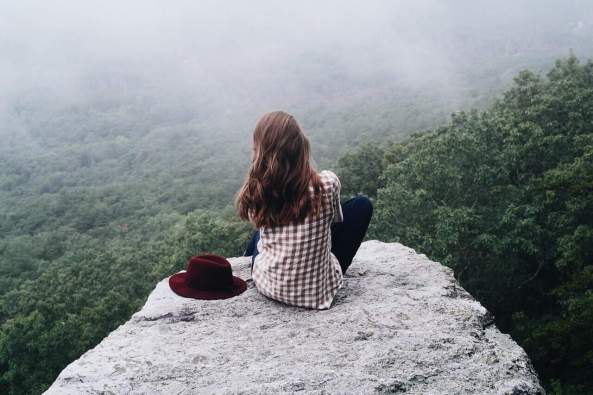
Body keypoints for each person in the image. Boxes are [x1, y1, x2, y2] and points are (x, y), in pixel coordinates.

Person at [235, 111, 372, 309]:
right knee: (361, 205)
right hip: (318, 293)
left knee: (259, 235)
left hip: (269, 286)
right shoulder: (328, 183)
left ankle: (247, 259)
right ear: (301, 146)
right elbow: (334, 222)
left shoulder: (258, 192)